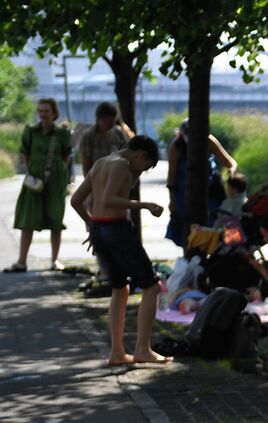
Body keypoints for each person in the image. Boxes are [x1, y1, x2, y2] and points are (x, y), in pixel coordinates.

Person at [68, 136, 169, 366]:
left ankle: (117, 353)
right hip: (117, 230)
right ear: (141, 155)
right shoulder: (122, 165)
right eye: (145, 167)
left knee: (120, 288)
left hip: (99, 229)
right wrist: (144, 205)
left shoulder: (101, 163)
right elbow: (109, 199)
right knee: (151, 286)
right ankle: (143, 349)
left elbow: (76, 201)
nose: (140, 173)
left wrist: (93, 225)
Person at [6, 98, 74, 274]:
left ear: (54, 113)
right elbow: (25, 153)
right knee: (28, 219)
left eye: (46, 111)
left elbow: (67, 156)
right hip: (34, 180)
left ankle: (54, 261)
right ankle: (21, 261)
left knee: (56, 219)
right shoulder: (30, 131)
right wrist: (31, 173)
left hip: (56, 181)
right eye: (41, 111)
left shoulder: (62, 133)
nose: (43, 114)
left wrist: (58, 172)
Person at [76, 102, 133, 291]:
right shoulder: (88, 136)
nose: (110, 125)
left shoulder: (118, 133)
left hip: (117, 188)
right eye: (107, 121)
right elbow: (86, 166)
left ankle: (120, 268)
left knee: (119, 228)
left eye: (112, 121)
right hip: (95, 187)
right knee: (98, 231)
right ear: (99, 119)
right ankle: (104, 269)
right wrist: (92, 190)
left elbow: (128, 155)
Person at [164, 120, 237, 248]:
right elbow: (171, 177)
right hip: (184, 195)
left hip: (209, 193)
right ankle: (191, 254)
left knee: (218, 223)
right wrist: (172, 200)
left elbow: (231, 163)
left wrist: (231, 173)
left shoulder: (209, 141)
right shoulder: (176, 146)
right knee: (188, 231)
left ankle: (221, 250)